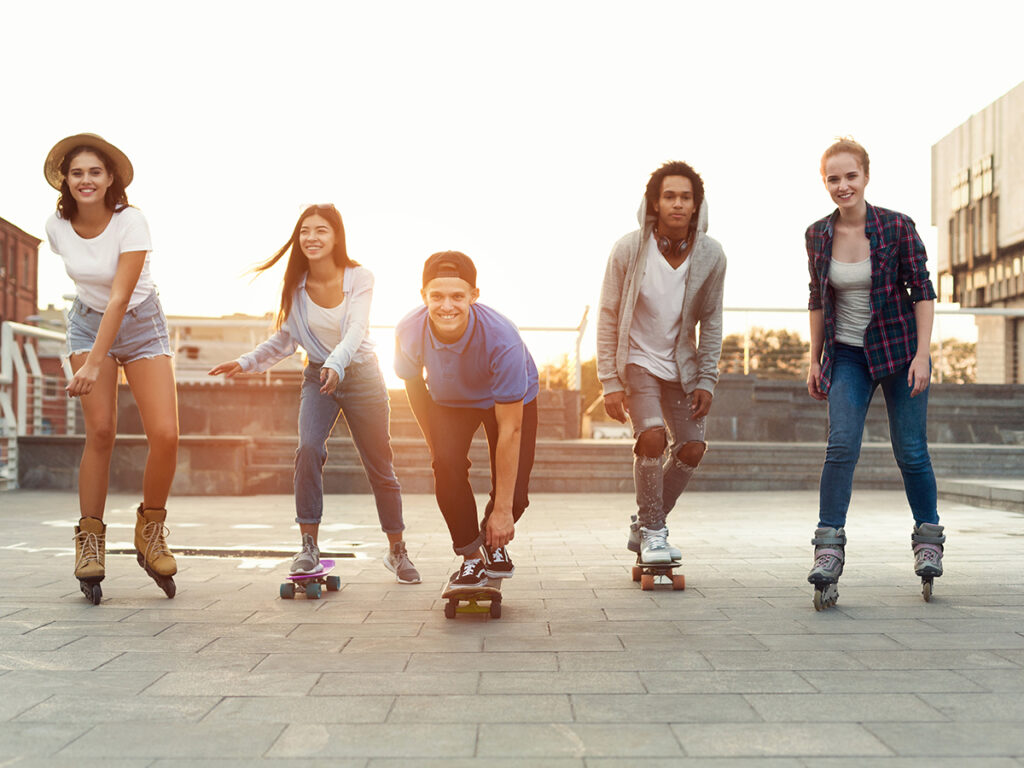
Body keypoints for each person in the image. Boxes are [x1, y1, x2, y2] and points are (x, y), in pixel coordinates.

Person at [208, 204, 419, 584]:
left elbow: (356, 328)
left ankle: (397, 550)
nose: (312, 238)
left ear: (336, 236)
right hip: (317, 378)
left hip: (363, 376)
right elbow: (286, 339)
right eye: (305, 231)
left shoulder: (360, 277)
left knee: (380, 466)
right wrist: (245, 361)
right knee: (307, 449)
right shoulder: (296, 286)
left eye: (321, 230)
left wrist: (337, 364)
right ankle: (308, 546)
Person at [805, 137, 944, 610]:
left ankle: (928, 538)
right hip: (848, 354)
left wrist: (923, 354)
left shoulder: (897, 227)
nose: (842, 186)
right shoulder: (818, 234)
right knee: (841, 444)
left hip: (900, 351)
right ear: (825, 182)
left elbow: (922, 291)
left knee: (910, 450)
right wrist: (815, 357)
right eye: (833, 178)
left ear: (865, 176)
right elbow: (819, 299)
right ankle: (828, 548)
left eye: (850, 176)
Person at [44, 133, 178, 602]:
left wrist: (95, 365)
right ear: (66, 179)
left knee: (165, 433)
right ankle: (90, 542)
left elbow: (120, 296)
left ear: (110, 179)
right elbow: (95, 295)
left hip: (141, 323)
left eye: (95, 172)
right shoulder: (56, 227)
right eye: (77, 172)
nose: (86, 180)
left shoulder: (131, 222)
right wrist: (90, 357)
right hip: (86, 326)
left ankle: (150, 530)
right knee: (100, 432)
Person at [597, 161, 726, 565]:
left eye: (685, 197)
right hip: (636, 361)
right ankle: (655, 533)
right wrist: (608, 381)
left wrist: (706, 378)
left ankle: (646, 522)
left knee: (691, 448)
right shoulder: (629, 249)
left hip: (682, 366)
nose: (677, 204)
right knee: (651, 438)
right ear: (655, 202)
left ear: (696, 205)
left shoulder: (711, 255)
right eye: (669, 196)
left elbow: (713, 320)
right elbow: (608, 313)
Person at [394, 251, 538, 591]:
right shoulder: (409, 330)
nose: (447, 305)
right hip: (450, 401)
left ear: (474, 295)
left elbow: (510, 429)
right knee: (444, 464)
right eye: (437, 296)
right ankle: (472, 559)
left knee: (515, 496)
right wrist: (435, 444)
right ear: (423, 297)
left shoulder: (502, 339)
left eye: (458, 296)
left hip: (506, 400)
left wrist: (502, 511)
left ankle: (493, 545)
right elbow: (413, 384)